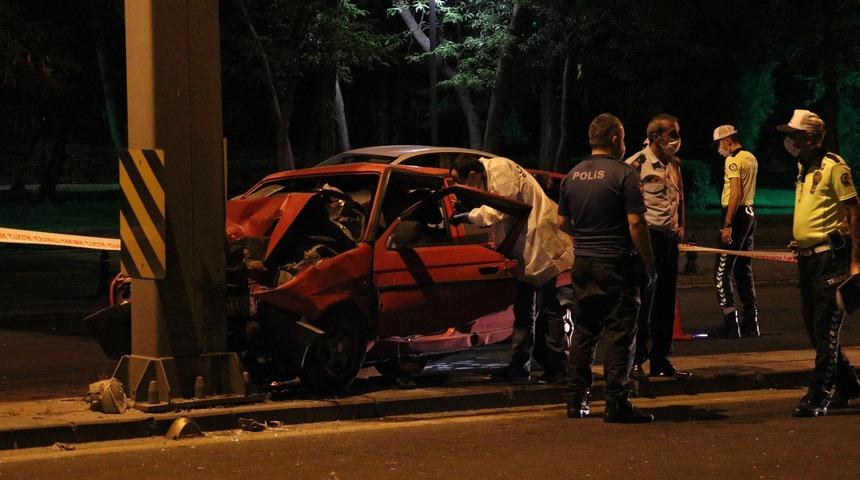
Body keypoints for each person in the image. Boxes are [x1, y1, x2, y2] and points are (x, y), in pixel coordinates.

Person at [558, 112, 655, 423]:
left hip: (583, 263)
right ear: (615, 139)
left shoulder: (572, 175)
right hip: (615, 263)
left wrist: (587, 239)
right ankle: (617, 402)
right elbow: (637, 223)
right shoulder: (624, 174)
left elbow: (562, 222)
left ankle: (576, 400)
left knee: (585, 332)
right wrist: (649, 263)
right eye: (623, 137)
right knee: (620, 332)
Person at [451, 156, 573, 383]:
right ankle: (520, 365)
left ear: (472, 176)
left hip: (539, 246)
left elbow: (499, 209)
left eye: (461, 182)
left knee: (548, 309)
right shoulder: (492, 175)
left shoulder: (500, 169)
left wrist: (468, 216)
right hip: (524, 252)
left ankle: (558, 367)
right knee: (524, 311)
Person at [779, 109, 860, 416]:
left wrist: (855, 261)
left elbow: (854, 211)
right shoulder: (804, 167)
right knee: (814, 326)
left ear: (811, 137)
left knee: (825, 327)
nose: (791, 140)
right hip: (809, 258)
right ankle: (849, 385)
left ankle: (820, 393)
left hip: (832, 258)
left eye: (796, 134)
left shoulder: (833, 167)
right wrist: (802, 238)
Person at [624, 114, 690, 379]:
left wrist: (681, 227)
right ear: (655, 138)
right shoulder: (636, 165)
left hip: (669, 239)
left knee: (665, 301)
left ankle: (660, 358)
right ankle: (637, 358)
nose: (676, 141)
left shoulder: (673, 164)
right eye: (671, 135)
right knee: (642, 302)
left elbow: (679, 198)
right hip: (646, 239)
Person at [710, 125, 760, 338]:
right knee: (743, 270)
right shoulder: (751, 157)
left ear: (727, 140)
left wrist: (727, 224)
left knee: (721, 271)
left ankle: (731, 323)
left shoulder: (732, 160)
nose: (718, 148)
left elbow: (735, 192)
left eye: (719, 143)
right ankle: (751, 323)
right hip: (750, 213)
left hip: (736, 215)